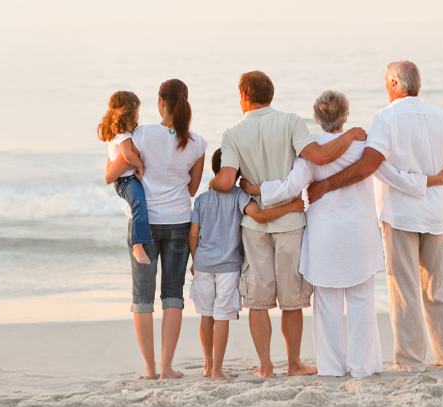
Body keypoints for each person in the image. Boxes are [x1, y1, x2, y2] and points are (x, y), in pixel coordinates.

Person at [241, 90, 443, 378]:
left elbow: (290, 187)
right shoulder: (363, 146)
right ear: (346, 116)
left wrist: (256, 190)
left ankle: (331, 367)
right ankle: (363, 367)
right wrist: (432, 181)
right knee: (362, 300)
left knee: (327, 303)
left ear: (316, 118)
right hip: (359, 232)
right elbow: (391, 175)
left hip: (325, 234)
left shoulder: (311, 152)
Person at [308, 61, 443, 372]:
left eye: (385, 81)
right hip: (435, 214)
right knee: (435, 287)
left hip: (400, 214)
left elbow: (370, 165)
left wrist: (326, 184)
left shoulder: (385, 118)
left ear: (395, 84)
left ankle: (410, 360)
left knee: (404, 287)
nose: (385, 85)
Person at [209, 71, 367, 378]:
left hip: (254, 226)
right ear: (271, 94)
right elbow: (319, 157)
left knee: (258, 298)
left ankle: (266, 366)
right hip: (291, 222)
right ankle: (294, 364)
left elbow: (227, 181)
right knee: (291, 298)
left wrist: (212, 183)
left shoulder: (232, 132)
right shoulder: (291, 122)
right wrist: (349, 136)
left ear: (244, 96)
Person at [189, 149, 305, 381]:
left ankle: (208, 365)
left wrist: (195, 260)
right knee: (221, 315)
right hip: (228, 267)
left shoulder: (201, 199)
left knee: (206, 315)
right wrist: (291, 208)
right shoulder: (239, 196)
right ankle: (218, 372)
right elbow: (260, 216)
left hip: (203, 265)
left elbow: (193, 234)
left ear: (213, 170)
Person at [127, 79, 208, 379]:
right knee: (173, 295)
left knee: (142, 298)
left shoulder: (142, 134)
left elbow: (125, 168)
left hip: (144, 223)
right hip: (178, 222)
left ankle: (149, 370)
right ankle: (166, 368)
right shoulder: (198, 142)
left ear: (160, 101)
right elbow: (192, 188)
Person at [100, 91, 152, 265]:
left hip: (125, 179)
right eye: (138, 111)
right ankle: (137, 244)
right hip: (125, 180)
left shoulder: (120, 132)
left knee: (140, 204)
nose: (139, 115)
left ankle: (139, 242)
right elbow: (128, 154)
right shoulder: (123, 134)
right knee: (139, 205)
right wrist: (140, 165)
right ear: (131, 112)